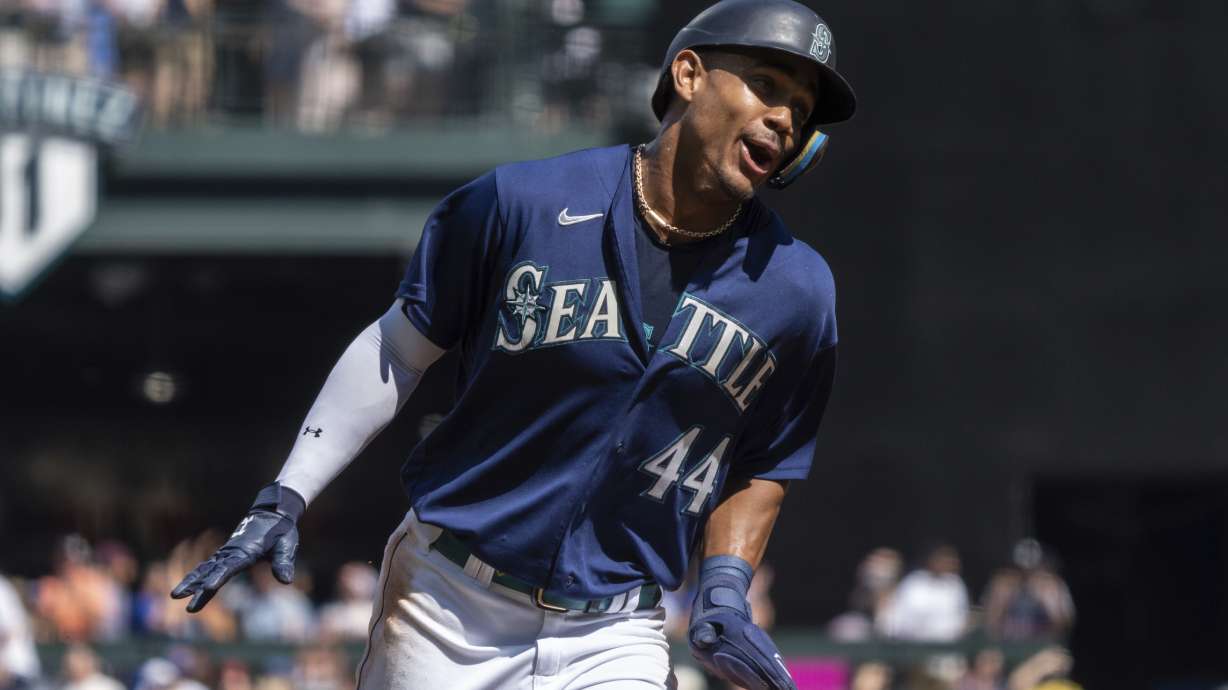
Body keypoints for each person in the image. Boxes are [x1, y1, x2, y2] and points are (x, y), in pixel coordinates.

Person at [170, 1, 856, 688]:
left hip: (616, 629)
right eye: (767, 85)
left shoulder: (795, 290)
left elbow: (765, 459)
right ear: (687, 74)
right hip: (448, 606)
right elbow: (398, 350)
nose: (786, 119)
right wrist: (287, 494)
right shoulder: (522, 202)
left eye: (801, 109)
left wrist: (726, 587)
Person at [881, 544, 970, 642]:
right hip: (911, 644)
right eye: (942, 559)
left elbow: (961, 618)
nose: (947, 563)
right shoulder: (914, 581)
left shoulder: (956, 584)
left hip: (945, 647)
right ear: (932, 560)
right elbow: (899, 616)